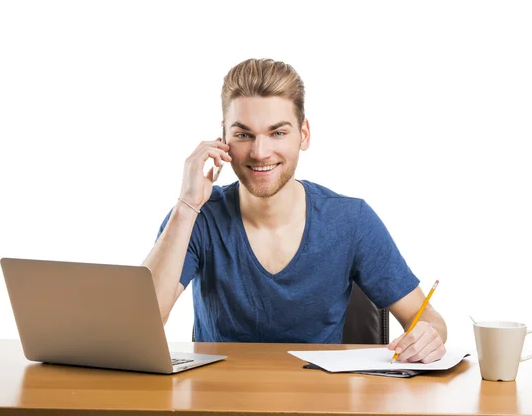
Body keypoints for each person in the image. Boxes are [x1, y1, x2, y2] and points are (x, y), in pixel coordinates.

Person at [143, 58, 447, 363]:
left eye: (277, 133)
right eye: (243, 134)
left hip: (320, 401)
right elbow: (145, 323)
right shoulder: (199, 216)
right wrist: (186, 205)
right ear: (223, 138)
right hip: (219, 401)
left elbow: (429, 320)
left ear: (304, 134)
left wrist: (427, 336)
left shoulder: (351, 220)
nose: (260, 152)